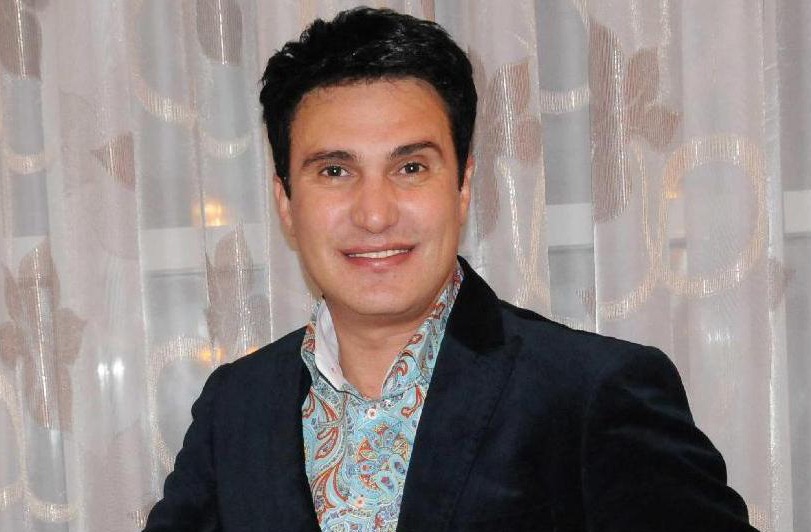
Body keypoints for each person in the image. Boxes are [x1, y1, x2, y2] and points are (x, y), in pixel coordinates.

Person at [144, 7, 758, 532]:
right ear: (285, 200)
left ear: (462, 186)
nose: (375, 213)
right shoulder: (236, 407)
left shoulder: (591, 392)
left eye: (410, 168)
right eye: (335, 171)